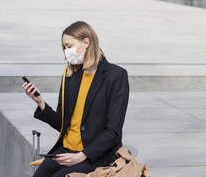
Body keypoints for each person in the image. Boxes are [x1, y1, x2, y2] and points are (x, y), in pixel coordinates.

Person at [22, 21, 130, 177]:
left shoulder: (116, 76)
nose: (66, 51)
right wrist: (40, 102)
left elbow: (113, 132)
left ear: (86, 42)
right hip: (65, 150)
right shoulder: (70, 75)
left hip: (94, 155)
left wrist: (81, 155)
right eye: (64, 48)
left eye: (69, 46)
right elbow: (62, 124)